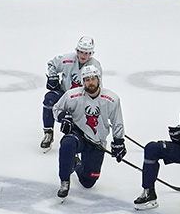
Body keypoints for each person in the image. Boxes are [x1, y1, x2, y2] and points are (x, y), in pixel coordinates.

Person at [54, 63, 126, 198]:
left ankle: (76, 163)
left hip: (97, 141)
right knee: (67, 143)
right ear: (83, 81)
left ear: (99, 79)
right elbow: (56, 109)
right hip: (78, 135)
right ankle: (64, 180)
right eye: (87, 80)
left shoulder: (112, 99)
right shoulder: (72, 96)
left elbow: (117, 122)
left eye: (93, 79)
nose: (90, 82)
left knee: (88, 182)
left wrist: (119, 141)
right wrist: (63, 117)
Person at [40, 35, 97, 150]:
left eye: (86, 53)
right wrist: (52, 77)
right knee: (49, 99)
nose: (83, 56)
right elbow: (52, 64)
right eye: (81, 52)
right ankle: (48, 132)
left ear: (91, 53)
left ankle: (76, 144)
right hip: (64, 94)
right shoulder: (68, 59)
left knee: (76, 123)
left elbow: (96, 88)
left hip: (82, 99)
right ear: (77, 50)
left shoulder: (95, 66)